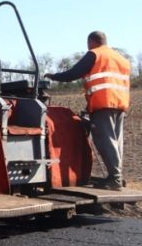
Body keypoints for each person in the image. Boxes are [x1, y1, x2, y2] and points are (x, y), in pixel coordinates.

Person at [44, 31, 131, 190]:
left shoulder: (95, 54)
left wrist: (53, 76)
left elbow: (73, 74)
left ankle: (115, 180)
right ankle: (116, 176)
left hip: (103, 104)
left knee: (105, 141)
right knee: (116, 142)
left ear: (92, 41)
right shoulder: (121, 59)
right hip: (120, 104)